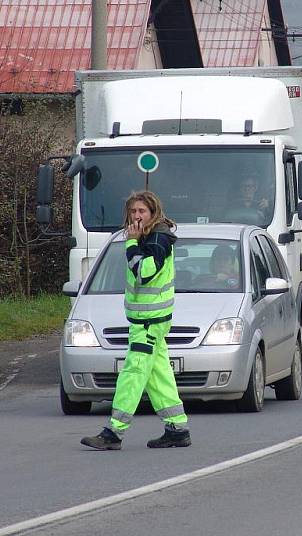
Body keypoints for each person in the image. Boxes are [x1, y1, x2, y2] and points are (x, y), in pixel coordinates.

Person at [81, 191, 190, 451]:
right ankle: (177, 429)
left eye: (142, 211)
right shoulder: (149, 236)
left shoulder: (157, 238)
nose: (137, 216)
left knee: (132, 374)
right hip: (147, 321)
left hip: (149, 323)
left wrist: (131, 243)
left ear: (153, 213)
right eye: (133, 211)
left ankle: (113, 433)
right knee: (158, 376)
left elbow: (144, 273)